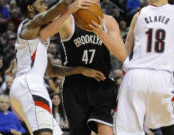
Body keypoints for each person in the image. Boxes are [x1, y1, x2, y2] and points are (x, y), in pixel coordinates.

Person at [10, 0, 103, 135]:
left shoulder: (37, 36)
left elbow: (51, 70)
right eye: (41, 3)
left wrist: (80, 70)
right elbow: (46, 16)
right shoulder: (29, 25)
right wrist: (68, 6)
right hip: (29, 85)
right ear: (30, 8)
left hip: (30, 87)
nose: (46, 6)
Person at [46, 0, 127, 134]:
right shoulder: (68, 21)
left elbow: (123, 56)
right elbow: (45, 33)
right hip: (75, 88)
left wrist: (101, 33)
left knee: (106, 130)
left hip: (102, 85)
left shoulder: (109, 21)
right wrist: (68, 11)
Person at [115, 0, 174, 135]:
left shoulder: (139, 14)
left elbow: (125, 51)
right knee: (167, 124)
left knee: (129, 130)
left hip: (135, 75)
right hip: (162, 76)